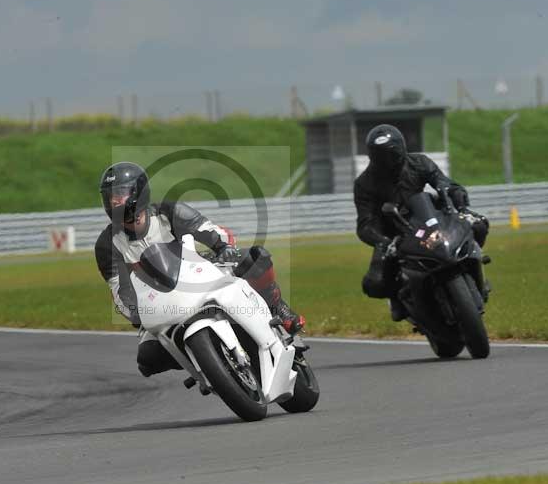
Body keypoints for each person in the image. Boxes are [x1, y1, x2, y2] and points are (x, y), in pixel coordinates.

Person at [94, 161, 305, 377]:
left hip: (197, 272)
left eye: (120, 193)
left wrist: (223, 247)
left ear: (139, 191)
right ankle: (203, 362)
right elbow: (119, 290)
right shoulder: (106, 245)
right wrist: (135, 313)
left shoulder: (168, 212)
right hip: (158, 302)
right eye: (109, 196)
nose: (114, 201)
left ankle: (277, 306)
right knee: (147, 359)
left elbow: (207, 228)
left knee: (254, 258)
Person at [354, 124, 489, 321]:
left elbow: (442, 181)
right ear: (372, 156)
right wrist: (382, 241)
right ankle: (398, 300)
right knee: (376, 282)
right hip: (395, 233)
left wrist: (453, 194)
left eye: (391, 154)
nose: (387, 161)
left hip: (430, 219)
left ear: (401, 148)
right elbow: (365, 223)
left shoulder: (419, 163)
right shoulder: (364, 183)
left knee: (478, 224)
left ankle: (472, 261)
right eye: (381, 156)